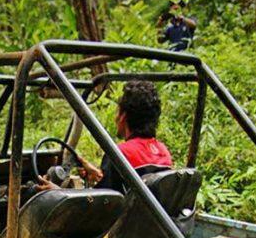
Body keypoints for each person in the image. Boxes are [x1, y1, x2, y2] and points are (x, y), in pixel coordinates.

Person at [38, 80, 172, 194]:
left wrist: (58, 191)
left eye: (117, 112)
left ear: (123, 116)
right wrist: (100, 175)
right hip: (149, 221)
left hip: (121, 222)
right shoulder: (163, 152)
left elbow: (100, 205)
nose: (115, 118)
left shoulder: (120, 155)